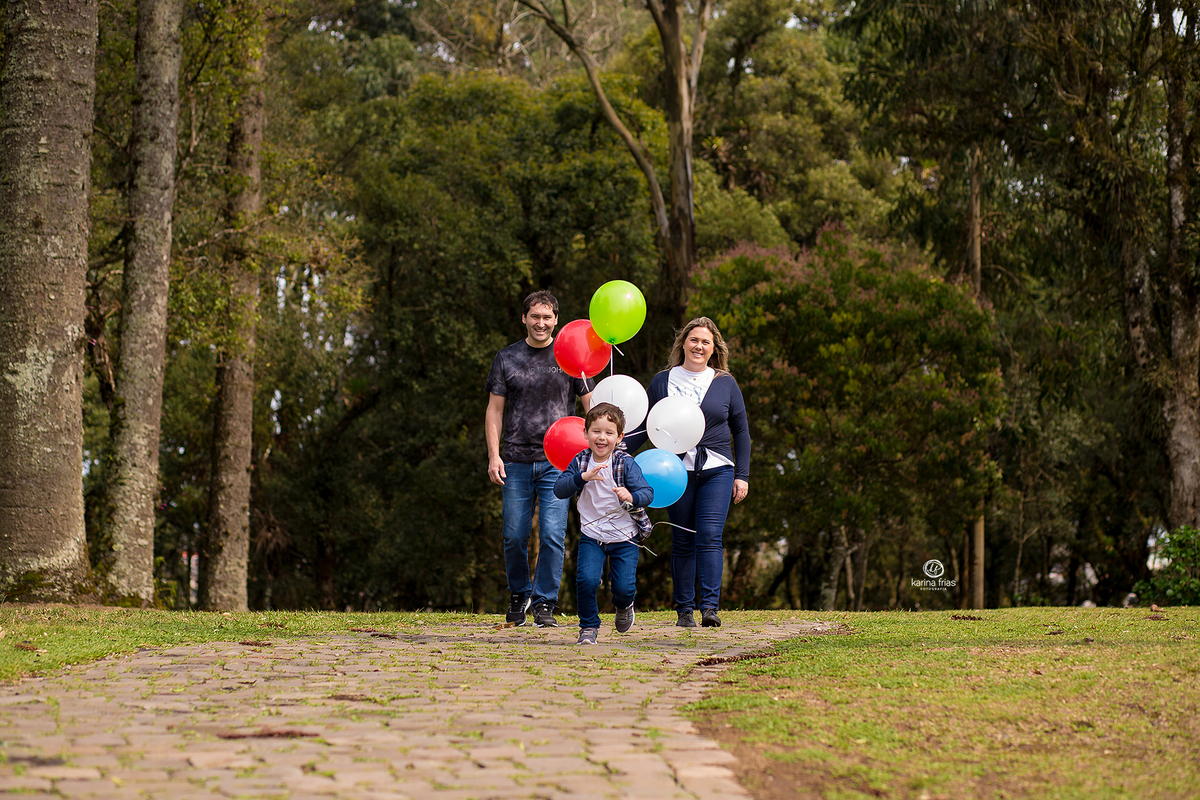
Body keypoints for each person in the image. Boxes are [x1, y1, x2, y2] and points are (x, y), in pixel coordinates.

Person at [625, 317, 750, 628]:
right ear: (683, 343)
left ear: (713, 348)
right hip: (672, 472)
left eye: (705, 342)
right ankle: (684, 610)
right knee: (682, 539)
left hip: (717, 469)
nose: (699, 346)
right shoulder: (662, 381)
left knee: (709, 536)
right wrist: (617, 448)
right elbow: (645, 427)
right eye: (694, 340)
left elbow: (742, 431)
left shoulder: (725, 383)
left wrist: (743, 476)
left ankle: (709, 608)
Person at [485, 291, 592, 627]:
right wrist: (493, 455)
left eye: (547, 318)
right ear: (524, 319)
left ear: (556, 320)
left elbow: (593, 407)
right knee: (514, 534)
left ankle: (544, 602)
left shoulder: (571, 357)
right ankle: (520, 594)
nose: (541, 323)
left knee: (551, 534)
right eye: (535, 317)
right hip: (515, 460)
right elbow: (494, 410)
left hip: (560, 464)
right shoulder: (506, 358)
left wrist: (599, 452)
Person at [553, 403, 653, 645]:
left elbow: (647, 492)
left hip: (624, 538)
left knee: (623, 588)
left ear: (619, 437)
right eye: (596, 431)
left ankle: (624, 605)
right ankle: (588, 627)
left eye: (609, 433)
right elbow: (559, 489)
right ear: (586, 433)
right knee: (586, 580)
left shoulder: (625, 462)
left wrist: (631, 497)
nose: (602, 437)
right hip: (592, 536)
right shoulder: (580, 461)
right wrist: (581, 478)